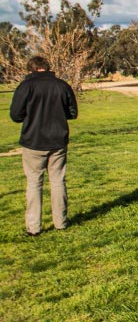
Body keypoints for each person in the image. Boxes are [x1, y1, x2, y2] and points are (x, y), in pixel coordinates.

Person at [10, 56, 78, 236]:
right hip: (58, 140)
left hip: (33, 141)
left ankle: (34, 227)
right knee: (58, 180)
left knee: (34, 182)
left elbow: (15, 115)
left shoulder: (26, 86)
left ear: (31, 69)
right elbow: (72, 113)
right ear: (47, 67)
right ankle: (61, 222)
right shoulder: (62, 85)